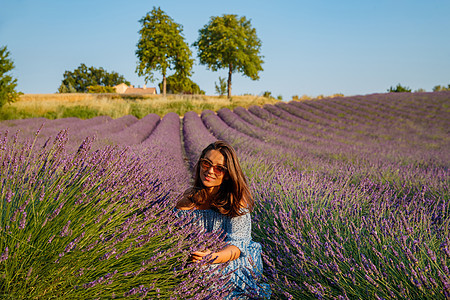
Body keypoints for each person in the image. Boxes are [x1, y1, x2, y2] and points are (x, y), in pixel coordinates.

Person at [175, 140, 271, 299]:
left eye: (219, 168)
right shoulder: (188, 201)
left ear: (227, 174)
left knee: (207, 277)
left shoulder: (236, 202)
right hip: (200, 257)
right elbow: (175, 236)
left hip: (234, 259)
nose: (210, 171)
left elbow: (236, 247)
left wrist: (210, 257)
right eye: (206, 164)